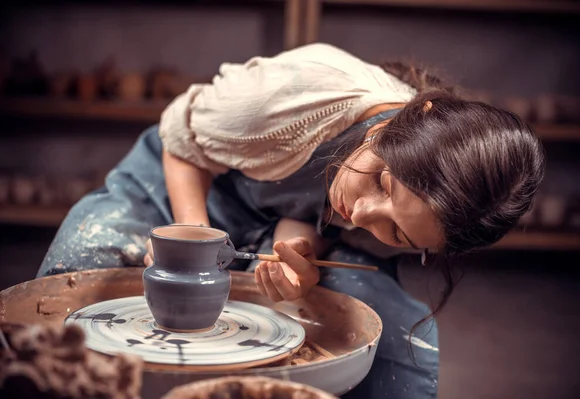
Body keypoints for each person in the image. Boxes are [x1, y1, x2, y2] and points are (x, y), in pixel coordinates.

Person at [36, 43, 545, 398]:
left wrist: (299, 256)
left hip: (270, 214)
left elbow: (306, 207)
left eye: (395, 232)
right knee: (82, 267)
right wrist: (192, 236)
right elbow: (181, 138)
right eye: (383, 184)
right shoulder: (296, 95)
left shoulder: (417, 208)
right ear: (419, 114)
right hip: (184, 179)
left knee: (394, 343)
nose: (364, 213)